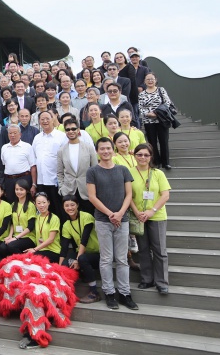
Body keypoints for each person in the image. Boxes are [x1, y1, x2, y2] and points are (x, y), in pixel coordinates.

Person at [86, 137, 138, 311]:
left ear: (113, 149)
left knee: (122, 259)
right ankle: (109, 292)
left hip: (122, 220)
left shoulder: (123, 170)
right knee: (106, 258)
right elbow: (92, 196)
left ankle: (125, 293)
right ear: (97, 151)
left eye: (108, 148)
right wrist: (110, 214)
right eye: (102, 149)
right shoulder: (92, 171)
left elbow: (129, 194)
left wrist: (120, 213)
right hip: (103, 220)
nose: (106, 151)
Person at [130, 143, 171, 294]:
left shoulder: (158, 173)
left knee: (159, 250)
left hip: (157, 216)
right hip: (139, 216)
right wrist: (137, 212)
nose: (142, 157)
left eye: (146, 155)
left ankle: (162, 282)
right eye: (139, 154)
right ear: (134, 156)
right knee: (143, 249)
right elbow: (128, 195)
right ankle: (147, 279)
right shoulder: (129, 173)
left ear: (151, 157)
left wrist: (151, 211)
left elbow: (165, 195)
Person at [59, 195, 101, 303]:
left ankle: (94, 292)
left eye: (72, 205)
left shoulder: (86, 216)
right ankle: (64, 292)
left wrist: (77, 259)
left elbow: (84, 239)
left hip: (98, 254)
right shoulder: (66, 225)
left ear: (77, 205)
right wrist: (59, 269)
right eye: (67, 206)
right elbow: (64, 248)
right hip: (82, 254)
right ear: (63, 208)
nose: (70, 208)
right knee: (65, 263)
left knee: (82, 259)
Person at [57, 118, 99, 215]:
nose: (71, 131)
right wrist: (62, 188)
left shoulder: (89, 148)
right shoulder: (61, 151)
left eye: (73, 129)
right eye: (68, 129)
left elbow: (95, 169)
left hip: (86, 190)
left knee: (89, 217)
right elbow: (59, 172)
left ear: (78, 130)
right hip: (69, 190)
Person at [31, 111, 67, 220]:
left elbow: (65, 159)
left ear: (53, 119)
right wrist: (34, 183)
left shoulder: (61, 136)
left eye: (47, 118)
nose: (45, 121)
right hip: (41, 180)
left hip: (56, 181)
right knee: (43, 210)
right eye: (42, 119)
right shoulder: (37, 138)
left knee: (58, 209)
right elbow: (34, 160)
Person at [139, 73, 173, 170]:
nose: (150, 81)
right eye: (148, 79)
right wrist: (148, 114)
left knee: (164, 141)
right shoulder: (142, 94)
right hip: (148, 121)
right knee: (152, 142)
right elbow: (140, 107)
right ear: (145, 81)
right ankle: (156, 161)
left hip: (162, 119)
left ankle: (166, 162)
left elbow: (167, 102)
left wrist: (157, 113)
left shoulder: (161, 90)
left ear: (155, 80)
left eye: (152, 79)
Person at [0, 179, 37, 259]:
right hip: (16, 236)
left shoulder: (31, 205)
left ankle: (23, 262)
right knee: (2, 248)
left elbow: (30, 227)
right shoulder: (13, 205)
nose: (19, 192)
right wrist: (10, 236)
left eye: (21, 189)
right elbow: (12, 223)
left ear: (26, 191)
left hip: (28, 237)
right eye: (17, 189)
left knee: (12, 246)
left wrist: (15, 238)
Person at [0, 124, 36, 205]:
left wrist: (34, 184)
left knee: (25, 203)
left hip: (24, 178)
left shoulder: (27, 146)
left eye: (15, 133)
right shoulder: (4, 147)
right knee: (11, 203)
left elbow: (33, 166)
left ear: (20, 134)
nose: (12, 135)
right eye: (10, 133)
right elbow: (4, 164)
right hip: (9, 180)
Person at [22, 192, 61, 264]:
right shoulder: (36, 218)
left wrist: (34, 249)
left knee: (31, 258)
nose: (42, 205)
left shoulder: (54, 218)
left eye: (44, 202)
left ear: (48, 203)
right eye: (39, 203)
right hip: (40, 250)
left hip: (53, 251)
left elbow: (51, 239)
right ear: (35, 204)